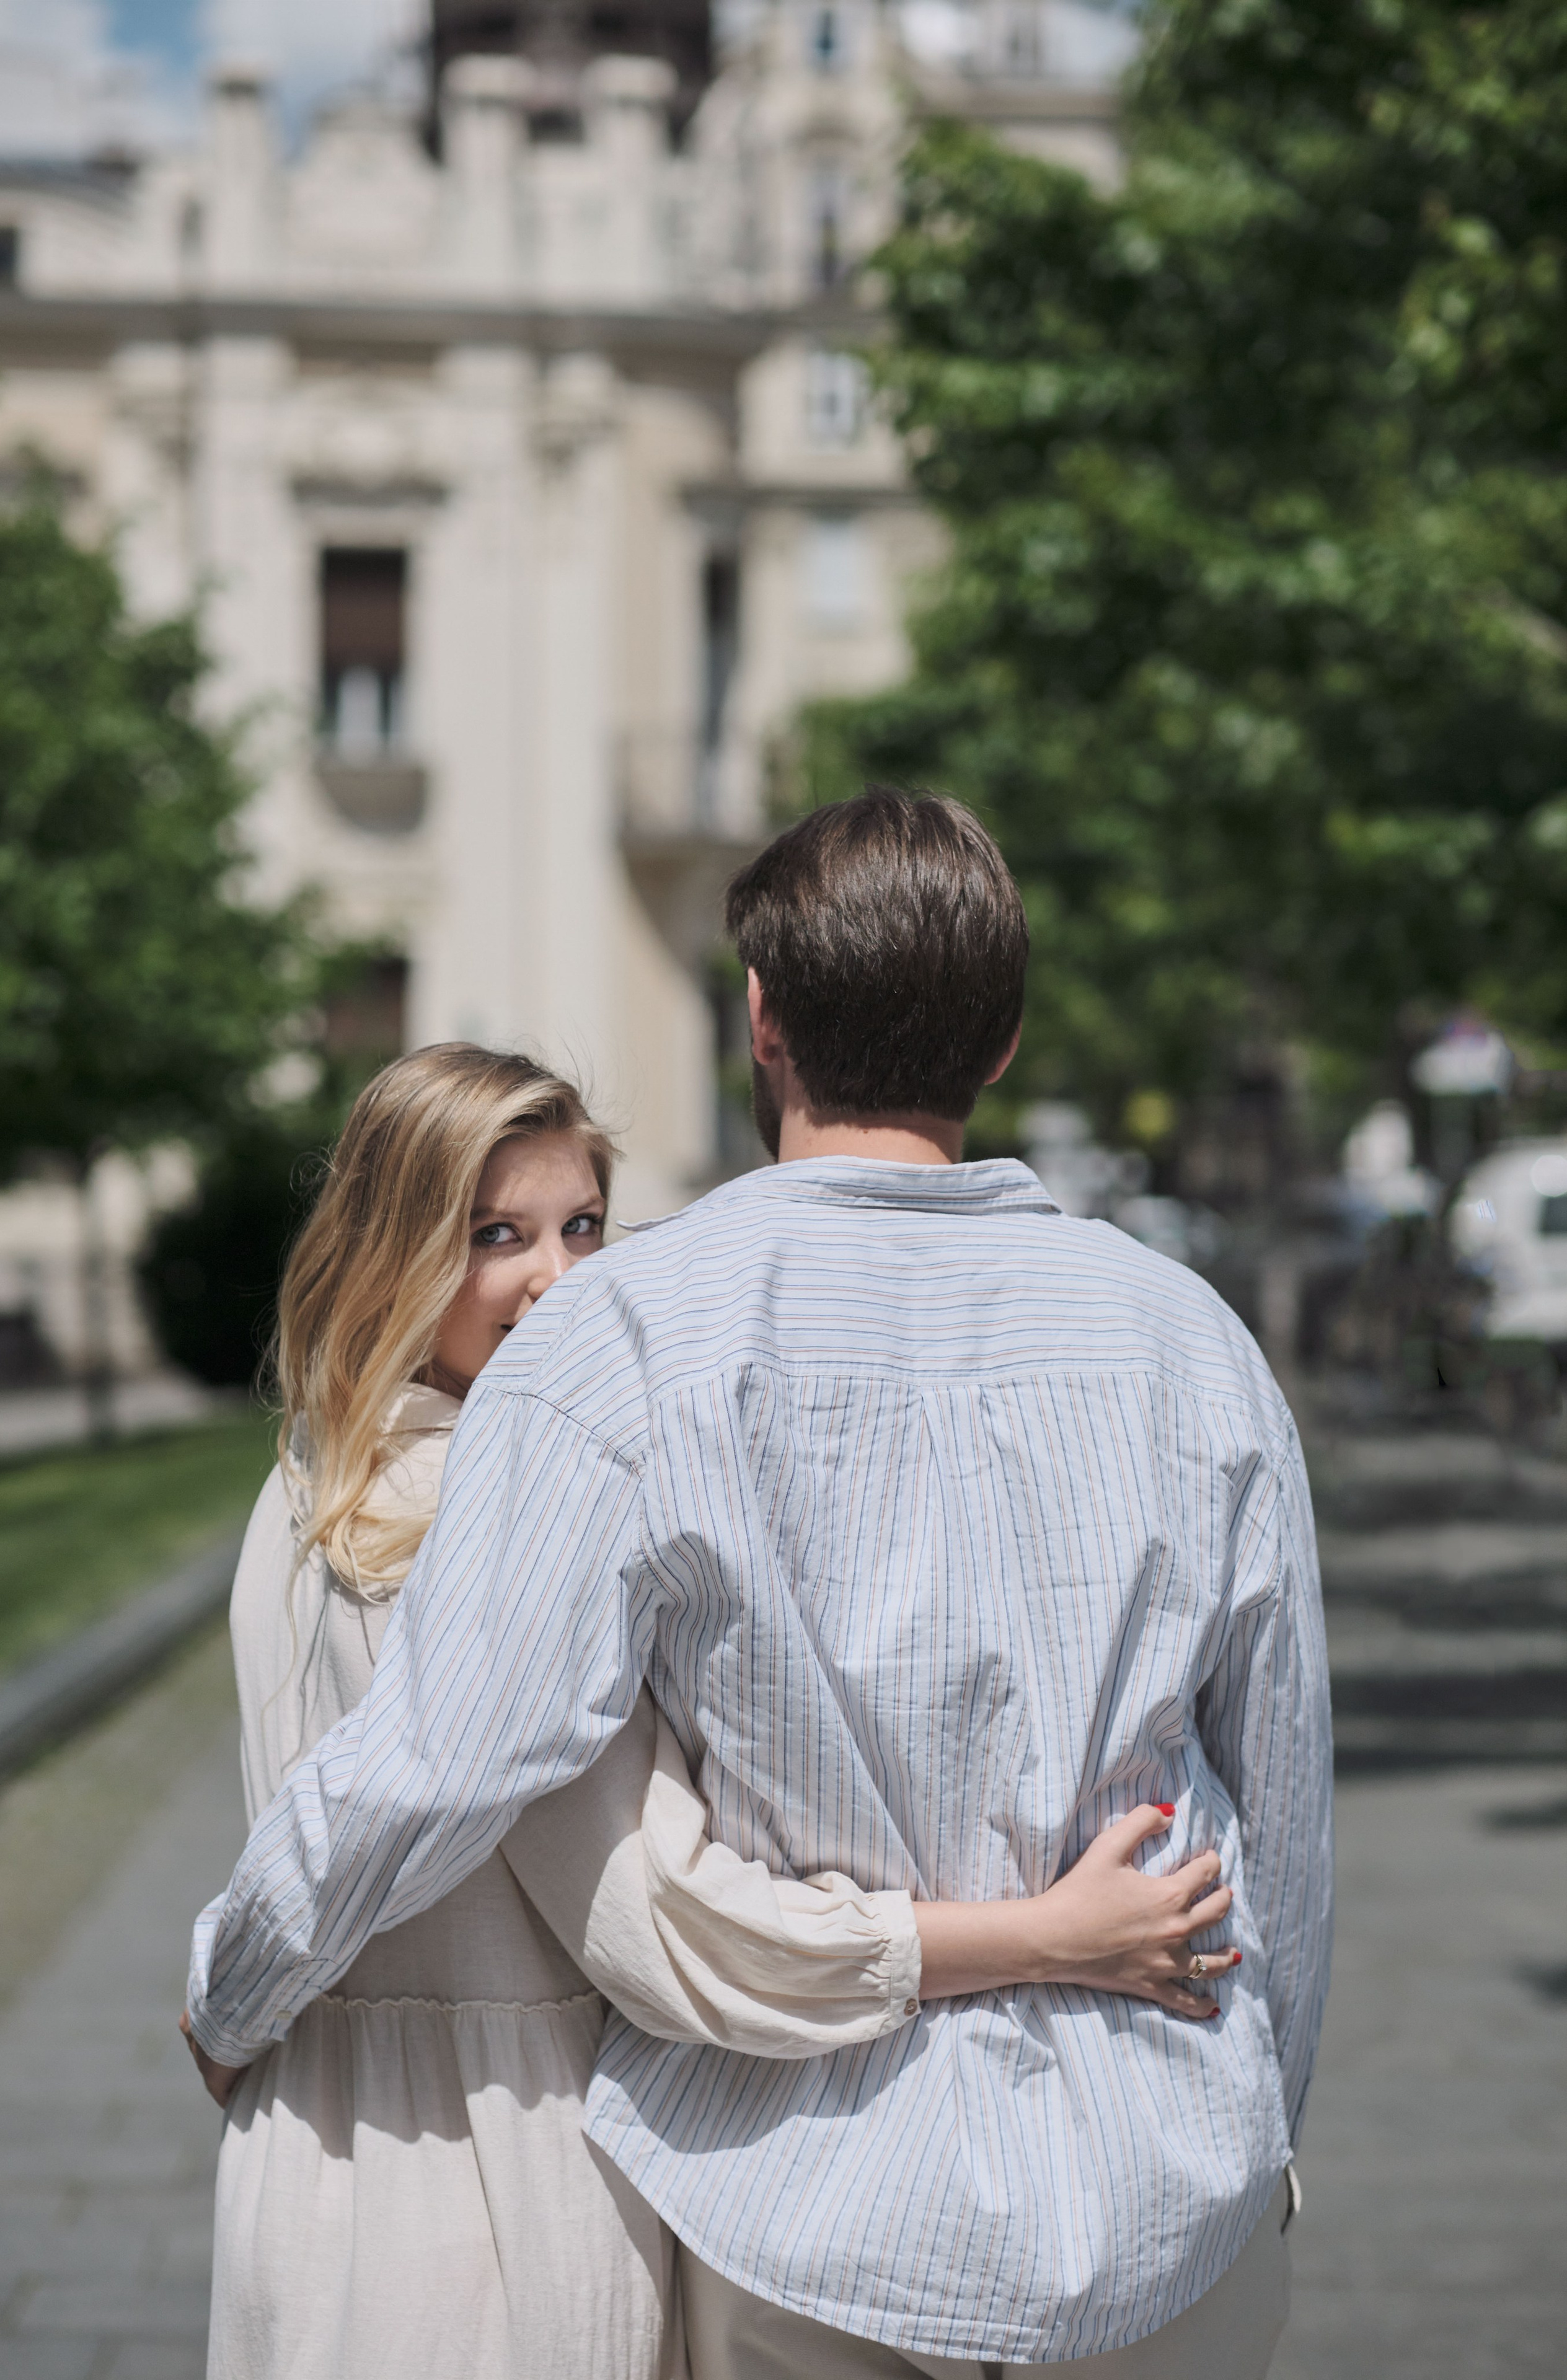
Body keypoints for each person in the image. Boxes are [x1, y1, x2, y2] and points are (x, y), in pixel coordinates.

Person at [188, 790, 1331, 2376]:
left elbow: (448, 1748)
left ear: (761, 1018)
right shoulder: (1191, 1341)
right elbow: (1280, 1807)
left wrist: (233, 1976)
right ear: (1003, 1040)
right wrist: (1261, 2127)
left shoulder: (627, 1338)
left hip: (807, 2206)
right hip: (1163, 2193)